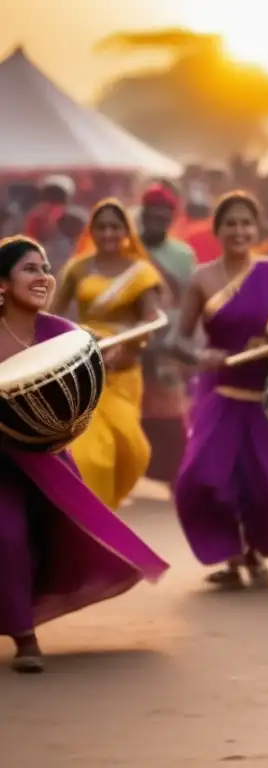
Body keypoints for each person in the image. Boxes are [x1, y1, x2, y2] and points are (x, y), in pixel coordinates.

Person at [0, 236, 168, 672]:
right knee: (7, 536)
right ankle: (25, 638)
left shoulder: (63, 334)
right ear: (2, 283)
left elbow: (87, 374)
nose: (42, 277)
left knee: (53, 538)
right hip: (0, 461)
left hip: (46, 460)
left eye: (45, 267)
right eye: (29, 269)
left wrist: (103, 353)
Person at [172, 192, 268, 589]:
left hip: (267, 399)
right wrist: (201, 355)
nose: (239, 231)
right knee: (205, 479)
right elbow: (179, 340)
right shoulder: (202, 279)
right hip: (220, 395)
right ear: (218, 230)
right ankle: (232, 554)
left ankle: (255, 553)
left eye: (246, 224)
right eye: (231, 224)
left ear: (256, 230)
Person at [50, 199, 165, 509]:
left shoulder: (141, 273)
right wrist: (78, 336)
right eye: (101, 227)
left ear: (127, 231)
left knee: (134, 452)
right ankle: (90, 520)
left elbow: (152, 318)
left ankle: (105, 510)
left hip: (123, 373)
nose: (109, 233)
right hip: (84, 367)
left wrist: (127, 344)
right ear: (92, 230)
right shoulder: (77, 268)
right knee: (90, 456)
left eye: (116, 226)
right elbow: (50, 317)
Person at [137, 184, 197, 485]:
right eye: (152, 213)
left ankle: (177, 479)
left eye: (164, 215)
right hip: (131, 341)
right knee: (133, 411)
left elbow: (191, 301)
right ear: (143, 214)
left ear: (171, 218)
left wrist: (185, 343)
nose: (157, 219)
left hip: (168, 344)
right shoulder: (128, 248)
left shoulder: (183, 255)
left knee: (170, 414)